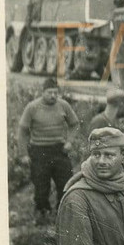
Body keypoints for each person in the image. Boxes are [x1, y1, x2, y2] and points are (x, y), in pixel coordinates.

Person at [17, 77, 80, 221]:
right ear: (42, 92)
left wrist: (70, 142)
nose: (53, 96)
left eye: (55, 93)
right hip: (39, 151)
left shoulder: (63, 105)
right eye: (49, 92)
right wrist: (24, 154)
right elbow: (22, 131)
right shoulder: (32, 107)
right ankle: (43, 215)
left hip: (59, 150)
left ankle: (63, 215)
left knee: (66, 183)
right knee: (41, 187)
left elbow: (75, 124)